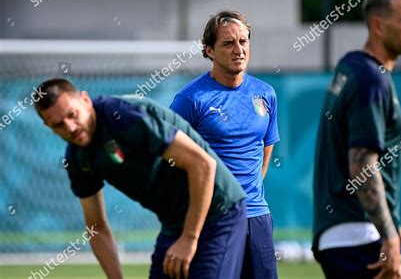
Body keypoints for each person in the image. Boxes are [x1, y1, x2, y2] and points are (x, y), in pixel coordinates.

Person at [34, 78, 248, 279]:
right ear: (48, 127)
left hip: (220, 210)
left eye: (72, 115)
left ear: (85, 100)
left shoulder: (124, 116)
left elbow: (202, 164)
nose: (70, 128)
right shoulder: (77, 159)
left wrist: (189, 238)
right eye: (58, 124)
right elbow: (96, 227)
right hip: (175, 224)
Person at [312, 0, 401, 279]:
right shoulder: (372, 79)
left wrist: (398, 234)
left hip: (344, 232)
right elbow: (362, 163)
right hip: (358, 232)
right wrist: (389, 237)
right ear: (377, 24)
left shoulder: (351, 66)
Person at [170, 10, 280, 278]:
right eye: (228, 43)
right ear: (209, 50)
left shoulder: (265, 94)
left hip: (257, 217)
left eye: (243, 41)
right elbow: (170, 157)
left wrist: (247, 192)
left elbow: (266, 145)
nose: (239, 49)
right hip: (213, 220)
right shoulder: (190, 99)